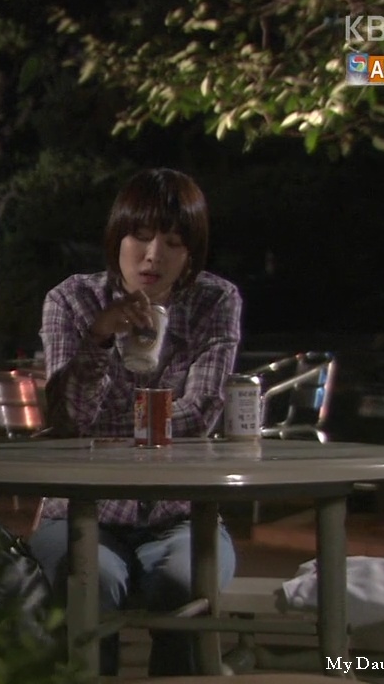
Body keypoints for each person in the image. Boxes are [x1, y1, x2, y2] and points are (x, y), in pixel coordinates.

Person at [30, 167, 241, 676]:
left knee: (183, 583)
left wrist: (105, 429)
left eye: (173, 243)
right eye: (140, 237)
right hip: (79, 511)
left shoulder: (214, 301)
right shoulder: (73, 300)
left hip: (181, 514)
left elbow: (200, 412)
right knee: (89, 583)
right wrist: (98, 340)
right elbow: (67, 419)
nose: (153, 256)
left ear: (191, 252)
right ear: (117, 238)